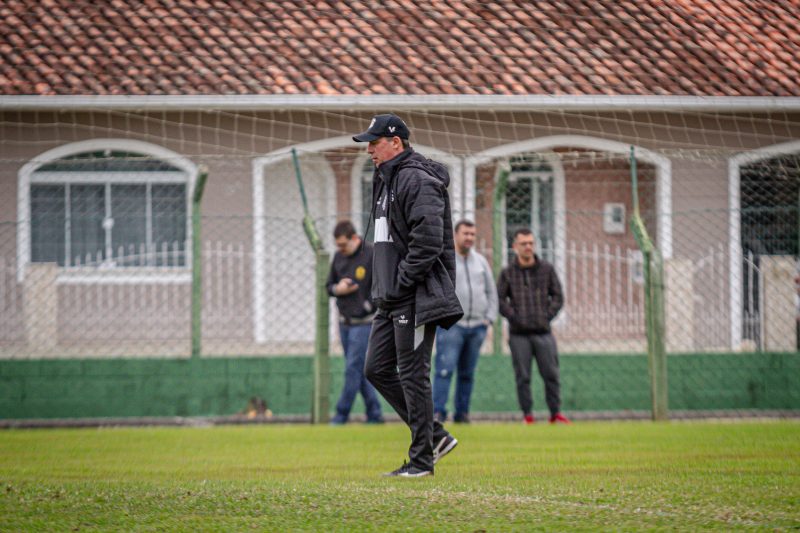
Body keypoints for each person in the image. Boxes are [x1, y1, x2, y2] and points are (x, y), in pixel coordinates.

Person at [353, 113, 463, 478]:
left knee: (414, 374)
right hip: (390, 297)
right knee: (376, 369)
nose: (369, 149)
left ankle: (421, 461)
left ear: (395, 142)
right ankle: (434, 436)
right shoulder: (385, 179)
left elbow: (428, 242)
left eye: (374, 142)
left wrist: (401, 282)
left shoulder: (416, 179)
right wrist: (383, 286)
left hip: (413, 295)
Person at [497, 228, 571, 425]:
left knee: (551, 374)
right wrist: (514, 317)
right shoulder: (507, 273)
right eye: (523, 243)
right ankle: (527, 415)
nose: (528, 247)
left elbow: (558, 296)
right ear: (515, 247)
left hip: (543, 332)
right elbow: (500, 300)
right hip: (518, 335)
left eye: (531, 243)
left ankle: (555, 414)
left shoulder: (547, 269)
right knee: (523, 377)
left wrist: (546, 316)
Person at [433, 220, 497, 424]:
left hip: (477, 326)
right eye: (465, 233)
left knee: (467, 374)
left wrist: (489, 319)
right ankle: (438, 413)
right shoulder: (446, 260)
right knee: (444, 371)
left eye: (472, 234)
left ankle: (462, 414)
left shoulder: (481, 262)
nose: (469, 238)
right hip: (452, 326)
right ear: (455, 235)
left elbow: (491, 291)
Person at [326, 220, 384, 425]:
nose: (341, 249)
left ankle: (341, 414)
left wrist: (369, 305)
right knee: (357, 369)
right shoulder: (338, 257)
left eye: (343, 245)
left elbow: (381, 285)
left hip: (365, 323)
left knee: (352, 368)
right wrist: (338, 289)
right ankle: (375, 413)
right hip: (344, 323)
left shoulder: (371, 253)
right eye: (338, 246)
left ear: (354, 238)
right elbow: (328, 287)